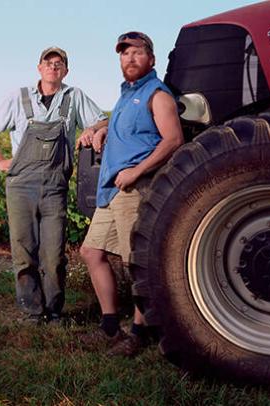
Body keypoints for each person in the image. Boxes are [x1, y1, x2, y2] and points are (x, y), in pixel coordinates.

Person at [0, 47, 107, 324]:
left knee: (54, 255)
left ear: (65, 71)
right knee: (24, 253)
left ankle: (55, 311)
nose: (53, 67)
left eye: (58, 64)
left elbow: (103, 120)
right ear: (39, 68)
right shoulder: (19, 97)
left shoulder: (74, 97)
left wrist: (91, 129)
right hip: (21, 186)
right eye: (48, 63)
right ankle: (32, 312)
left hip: (54, 187)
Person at [78, 32, 183, 355]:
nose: (130, 59)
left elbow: (173, 139)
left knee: (133, 262)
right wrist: (99, 128)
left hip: (136, 188)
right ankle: (110, 326)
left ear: (151, 59)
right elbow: (124, 125)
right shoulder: (126, 95)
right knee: (91, 252)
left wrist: (137, 172)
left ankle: (139, 332)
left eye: (136, 53)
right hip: (112, 189)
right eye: (124, 54)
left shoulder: (157, 94)